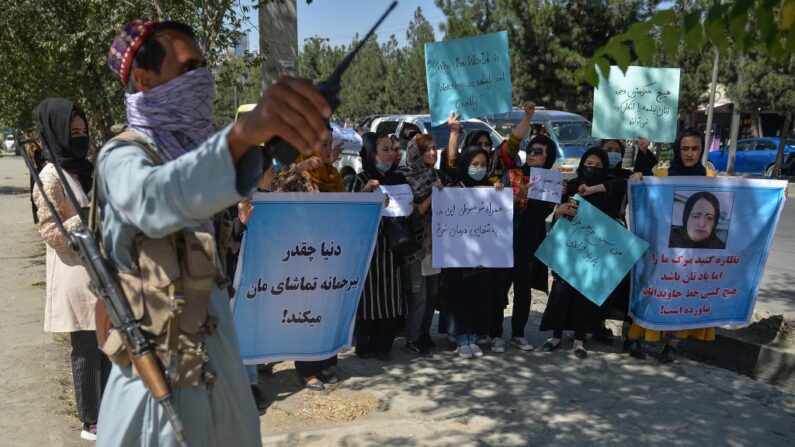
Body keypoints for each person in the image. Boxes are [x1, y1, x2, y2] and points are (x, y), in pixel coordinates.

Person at [96, 19, 331, 446]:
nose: (202, 79)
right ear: (144, 80)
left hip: (216, 366)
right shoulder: (122, 156)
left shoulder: (197, 152)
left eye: (204, 66)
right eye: (188, 68)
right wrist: (241, 136)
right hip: (157, 382)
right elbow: (156, 201)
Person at [32, 98, 111, 442]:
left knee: (109, 343)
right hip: (75, 273)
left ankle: (111, 408)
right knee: (86, 350)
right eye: (72, 132)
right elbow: (49, 230)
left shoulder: (87, 167)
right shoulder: (50, 175)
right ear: (56, 134)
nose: (78, 137)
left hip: (101, 271)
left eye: (82, 131)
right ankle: (90, 418)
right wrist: (87, 216)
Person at [626, 128, 717, 363]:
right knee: (653, 289)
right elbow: (647, 198)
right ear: (678, 149)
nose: (689, 153)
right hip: (662, 250)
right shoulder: (663, 174)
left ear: (701, 150)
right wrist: (638, 178)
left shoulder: (709, 178)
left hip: (695, 254)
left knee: (685, 294)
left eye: (695, 148)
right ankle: (636, 338)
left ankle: (673, 343)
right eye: (685, 148)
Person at [273, 123, 344, 389]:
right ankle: (307, 368)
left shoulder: (333, 174)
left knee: (329, 307)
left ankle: (326, 360)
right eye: (322, 144)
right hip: (304, 256)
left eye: (329, 144)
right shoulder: (298, 174)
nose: (327, 150)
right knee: (307, 309)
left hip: (331, 254)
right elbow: (275, 189)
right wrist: (301, 168)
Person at [539, 147, 621, 359]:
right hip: (569, 248)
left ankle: (579, 340)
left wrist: (593, 190)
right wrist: (560, 211)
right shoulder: (571, 185)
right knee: (560, 293)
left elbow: (624, 184)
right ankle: (556, 336)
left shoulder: (608, 189)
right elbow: (559, 214)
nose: (592, 168)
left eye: (598, 165)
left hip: (594, 251)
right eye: (589, 164)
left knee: (584, 295)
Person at [441, 145, 504, 358]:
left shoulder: (490, 189)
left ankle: (474, 337)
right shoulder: (454, 189)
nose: (479, 168)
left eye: (483, 165)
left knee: (479, 294)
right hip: (458, 256)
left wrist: (500, 196)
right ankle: (460, 338)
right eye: (474, 164)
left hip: (482, 255)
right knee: (460, 294)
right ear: (465, 164)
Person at [348, 132, 405, 362]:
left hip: (392, 250)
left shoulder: (399, 179)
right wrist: (366, 195)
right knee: (369, 299)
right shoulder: (360, 180)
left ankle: (385, 346)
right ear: (372, 154)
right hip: (368, 250)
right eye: (385, 149)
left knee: (390, 298)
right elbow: (349, 213)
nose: (391, 154)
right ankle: (365, 344)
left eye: (393, 149)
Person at [500, 134, 559, 352]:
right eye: (531, 150)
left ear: (548, 157)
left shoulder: (551, 180)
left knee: (523, 290)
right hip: (507, 240)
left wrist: (554, 199)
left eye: (539, 152)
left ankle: (518, 333)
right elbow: (500, 207)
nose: (532, 155)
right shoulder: (513, 174)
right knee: (500, 289)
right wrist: (519, 197)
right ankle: (496, 333)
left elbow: (545, 212)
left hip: (530, 242)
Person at [402, 134, 451, 356]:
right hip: (418, 247)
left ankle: (424, 333)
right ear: (416, 154)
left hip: (437, 245)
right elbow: (411, 215)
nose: (433, 152)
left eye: (434, 148)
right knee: (418, 296)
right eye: (427, 149)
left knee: (432, 294)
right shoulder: (407, 181)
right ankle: (411, 337)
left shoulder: (439, 176)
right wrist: (433, 195)